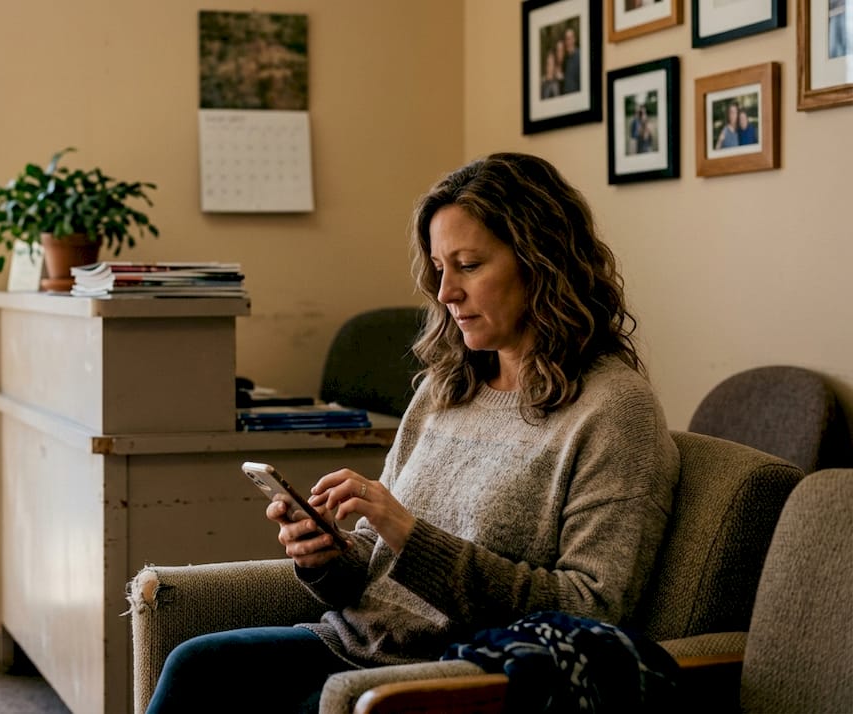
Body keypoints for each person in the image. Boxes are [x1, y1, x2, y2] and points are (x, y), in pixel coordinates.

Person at [144, 153, 681, 714]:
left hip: (453, 673)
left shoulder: (614, 411)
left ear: (542, 264)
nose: (446, 292)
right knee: (195, 664)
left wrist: (408, 533)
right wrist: (325, 557)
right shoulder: (445, 389)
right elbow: (380, 567)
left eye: (469, 265)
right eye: (439, 268)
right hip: (355, 648)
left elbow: (590, 610)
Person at [561, 27, 581, 93]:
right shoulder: (565, 60)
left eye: (569, 39)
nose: (567, 42)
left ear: (574, 39)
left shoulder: (580, 56)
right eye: (566, 39)